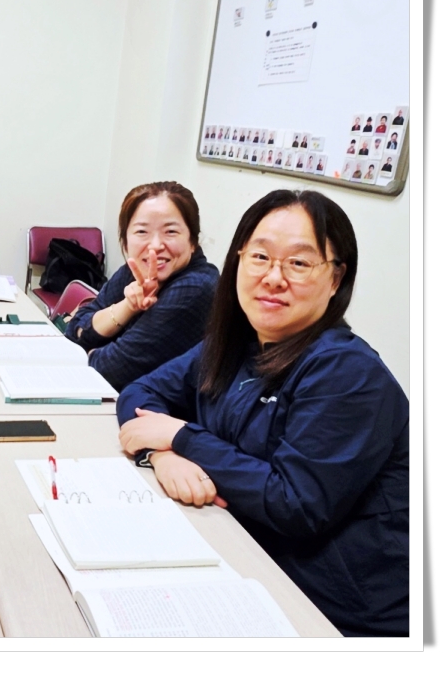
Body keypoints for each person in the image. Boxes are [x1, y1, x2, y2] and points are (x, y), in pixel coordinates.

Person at [116, 189, 408, 637]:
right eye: (259, 257)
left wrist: (181, 438)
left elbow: (295, 504)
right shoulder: (238, 343)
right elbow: (140, 391)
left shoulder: (347, 371)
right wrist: (162, 455)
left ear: (336, 279)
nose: (273, 277)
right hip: (245, 557)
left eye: (299, 263)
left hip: (335, 613)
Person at [63, 181, 218, 391]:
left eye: (171, 231)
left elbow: (110, 370)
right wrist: (128, 306)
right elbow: (74, 330)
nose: (155, 246)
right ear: (126, 241)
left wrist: (89, 350)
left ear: (193, 241)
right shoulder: (137, 269)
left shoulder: (195, 288)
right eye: (142, 232)